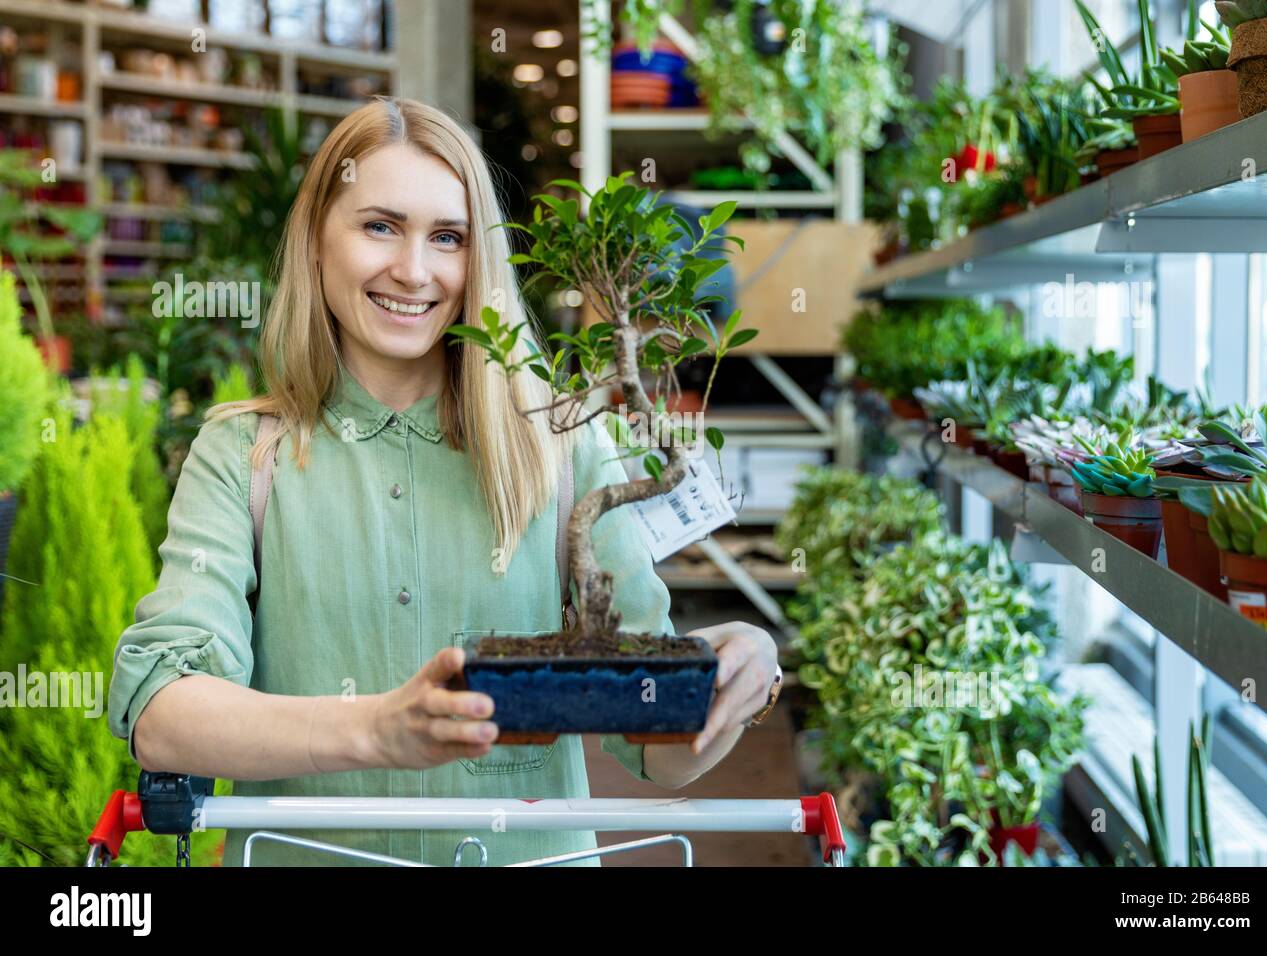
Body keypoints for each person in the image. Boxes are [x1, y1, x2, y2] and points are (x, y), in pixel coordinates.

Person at [107, 97, 780, 867]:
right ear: (317, 241)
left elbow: (660, 753)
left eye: (448, 237)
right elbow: (162, 712)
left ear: (480, 260)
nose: (414, 270)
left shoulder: (563, 445)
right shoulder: (243, 455)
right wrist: (376, 729)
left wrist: (741, 672)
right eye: (380, 226)